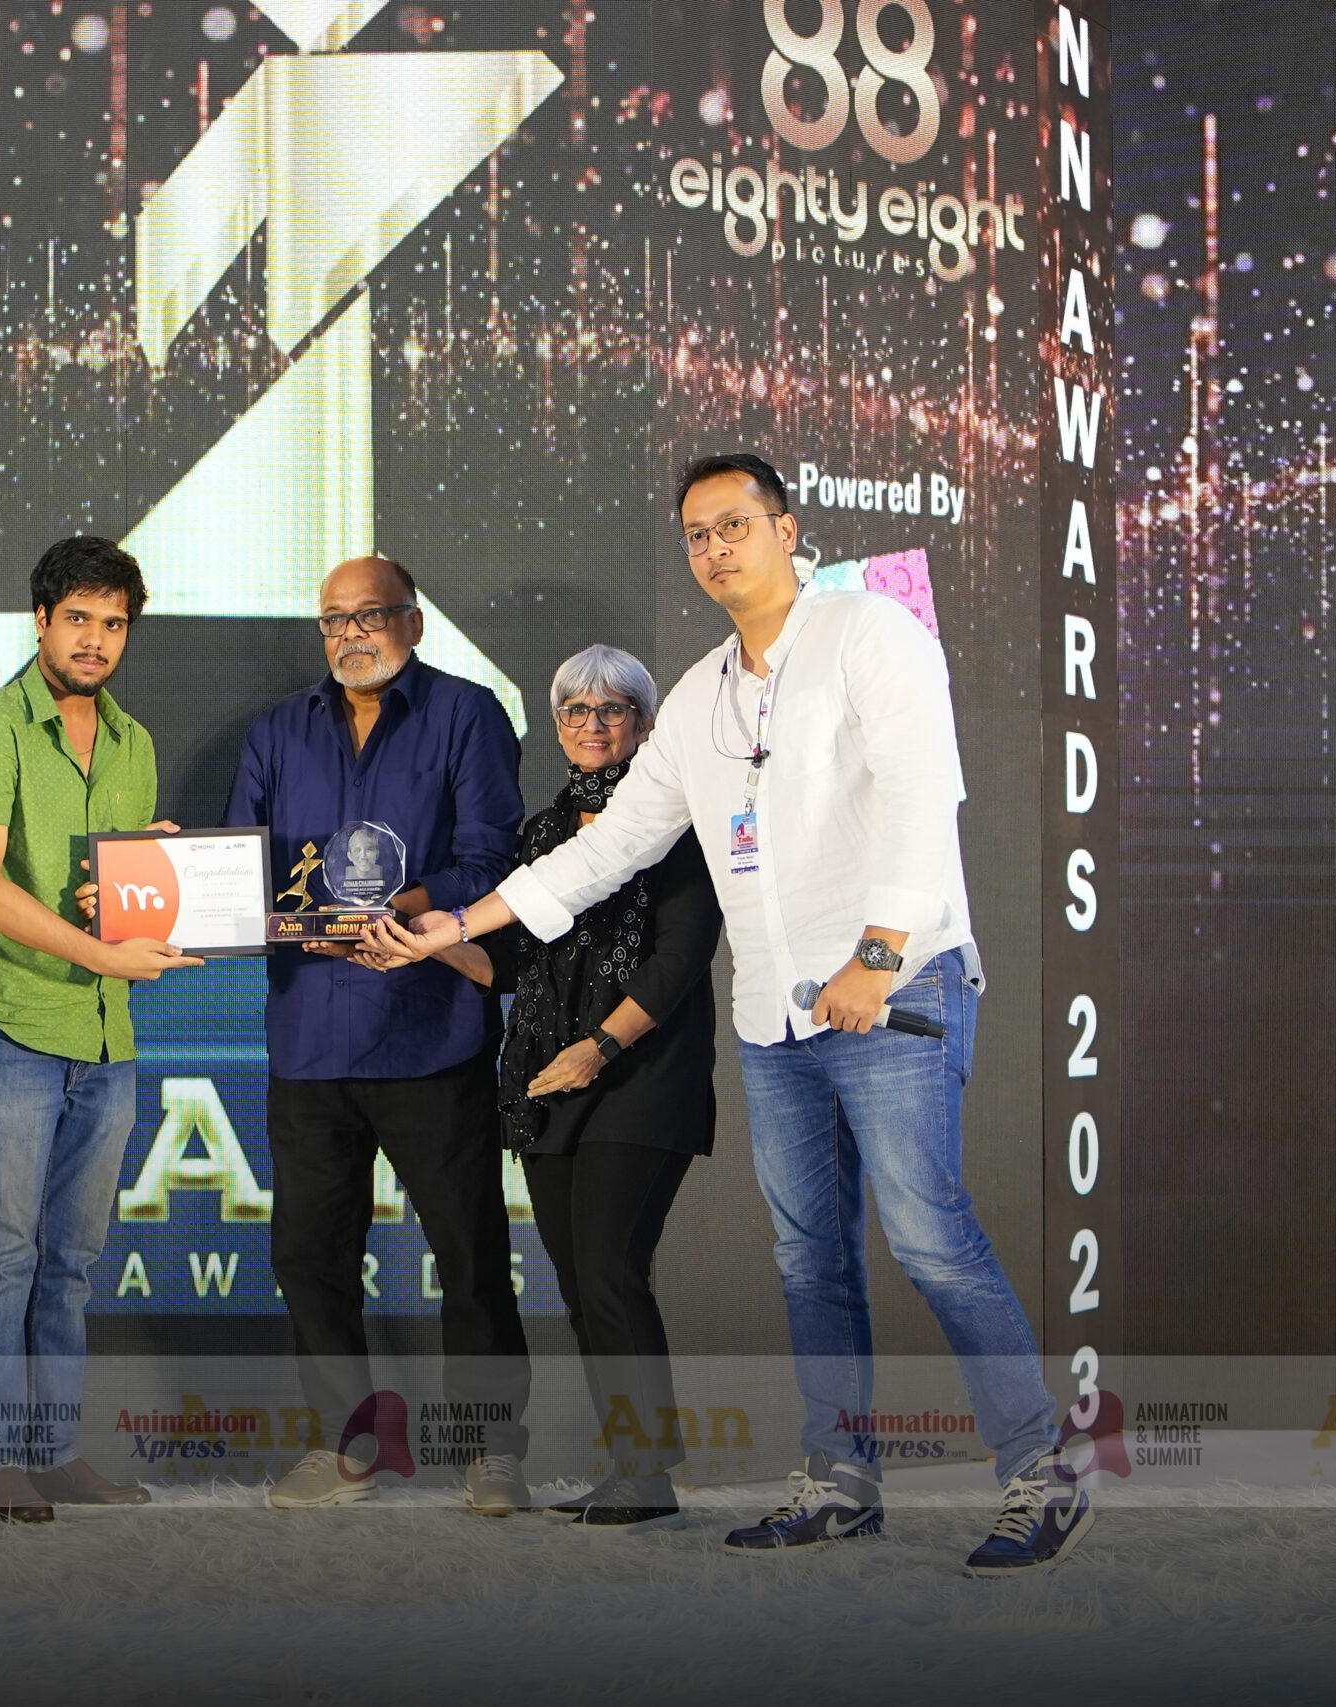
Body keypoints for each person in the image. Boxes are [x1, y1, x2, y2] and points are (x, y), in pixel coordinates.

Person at [368, 454, 1093, 1575]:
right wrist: (461, 922)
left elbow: (923, 792)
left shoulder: (869, 633)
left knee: (928, 1238)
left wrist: (878, 953)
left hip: (895, 988)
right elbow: (610, 847)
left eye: (734, 525)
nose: (714, 548)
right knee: (809, 1259)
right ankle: (840, 1479)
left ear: (785, 529)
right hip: (775, 1019)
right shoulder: (701, 693)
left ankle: (1042, 1469)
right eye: (697, 534)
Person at [373, 645, 721, 1530]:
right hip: (545, 1077)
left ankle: (647, 1473)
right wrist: (422, 940)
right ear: (557, 724)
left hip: (639, 1073)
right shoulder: (540, 834)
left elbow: (682, 957)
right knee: (579, 1283)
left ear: (646, 724)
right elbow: (508, 960)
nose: (593, 725)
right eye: (576, 710)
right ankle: (630, 1465)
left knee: (608, 1269)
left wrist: (599, 1047)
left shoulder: (679, 818)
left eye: (613, 709)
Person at [222, 555, 532, 1516]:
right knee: (309, 1258)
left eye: (370, 615)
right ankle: (345, 1446)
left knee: (470, 1254)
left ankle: (489, 1450)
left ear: (413, 622)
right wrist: (167, 879)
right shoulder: (277, 731)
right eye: (334, 620)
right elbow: (237, 868)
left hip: (432, 1032)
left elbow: (490, 857)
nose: (350, 634)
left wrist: (397, 909)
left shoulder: (467, 714)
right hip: (308, 1038)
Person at [0, 535, 200, 1522]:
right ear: (40, 620)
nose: (94, 639)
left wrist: (149, 884)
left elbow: (106, 892)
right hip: (14, 1024)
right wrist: (99, 950)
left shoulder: (133, 743)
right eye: (77, 618)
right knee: (4, 1252)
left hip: (106, 1035)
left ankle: (52, 1454)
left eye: (112, 623)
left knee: (73, 1262)